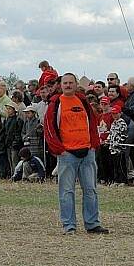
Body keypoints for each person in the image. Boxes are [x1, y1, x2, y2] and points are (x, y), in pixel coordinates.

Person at [44, 73, 109, 235]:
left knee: (91, 190)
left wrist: (94, 145)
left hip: (87, 152)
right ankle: (69, 226)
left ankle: (93, 224)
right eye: (65, 83)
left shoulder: (83, 101)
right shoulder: (55, 104)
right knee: (66, 192)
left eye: (70, 82)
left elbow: (92, 124)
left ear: (75, 84)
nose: (67, 85)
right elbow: (49, 129)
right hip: (67, 154)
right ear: (61, 85)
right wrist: (60, 150)